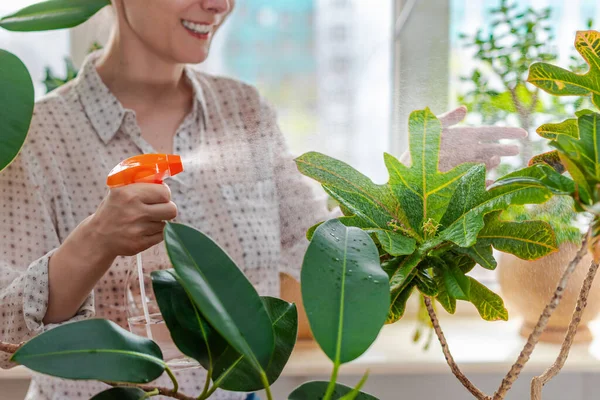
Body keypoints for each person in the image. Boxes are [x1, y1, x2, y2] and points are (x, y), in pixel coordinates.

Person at [0, 1, 526, 399]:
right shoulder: (36, 136)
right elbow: (5, 332)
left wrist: (421, 188)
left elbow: (327, 263)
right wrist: (96, 239)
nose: (220, 4)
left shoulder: (244, 111)